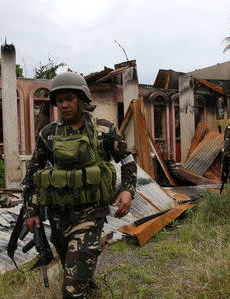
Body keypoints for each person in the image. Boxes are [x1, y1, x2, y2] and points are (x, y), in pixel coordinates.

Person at [22, 72, 137, 298]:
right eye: (60, 100)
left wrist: (127, 191)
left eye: (69, 99)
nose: (64, 105)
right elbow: (33, 174)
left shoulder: (104, 130)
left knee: (71, 289)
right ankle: (91, 289)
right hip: (58, 217)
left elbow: (127, 160)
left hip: (90, 216)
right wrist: (31, 210)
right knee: (73, 271)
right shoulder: (49, 134)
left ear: (82, 99)